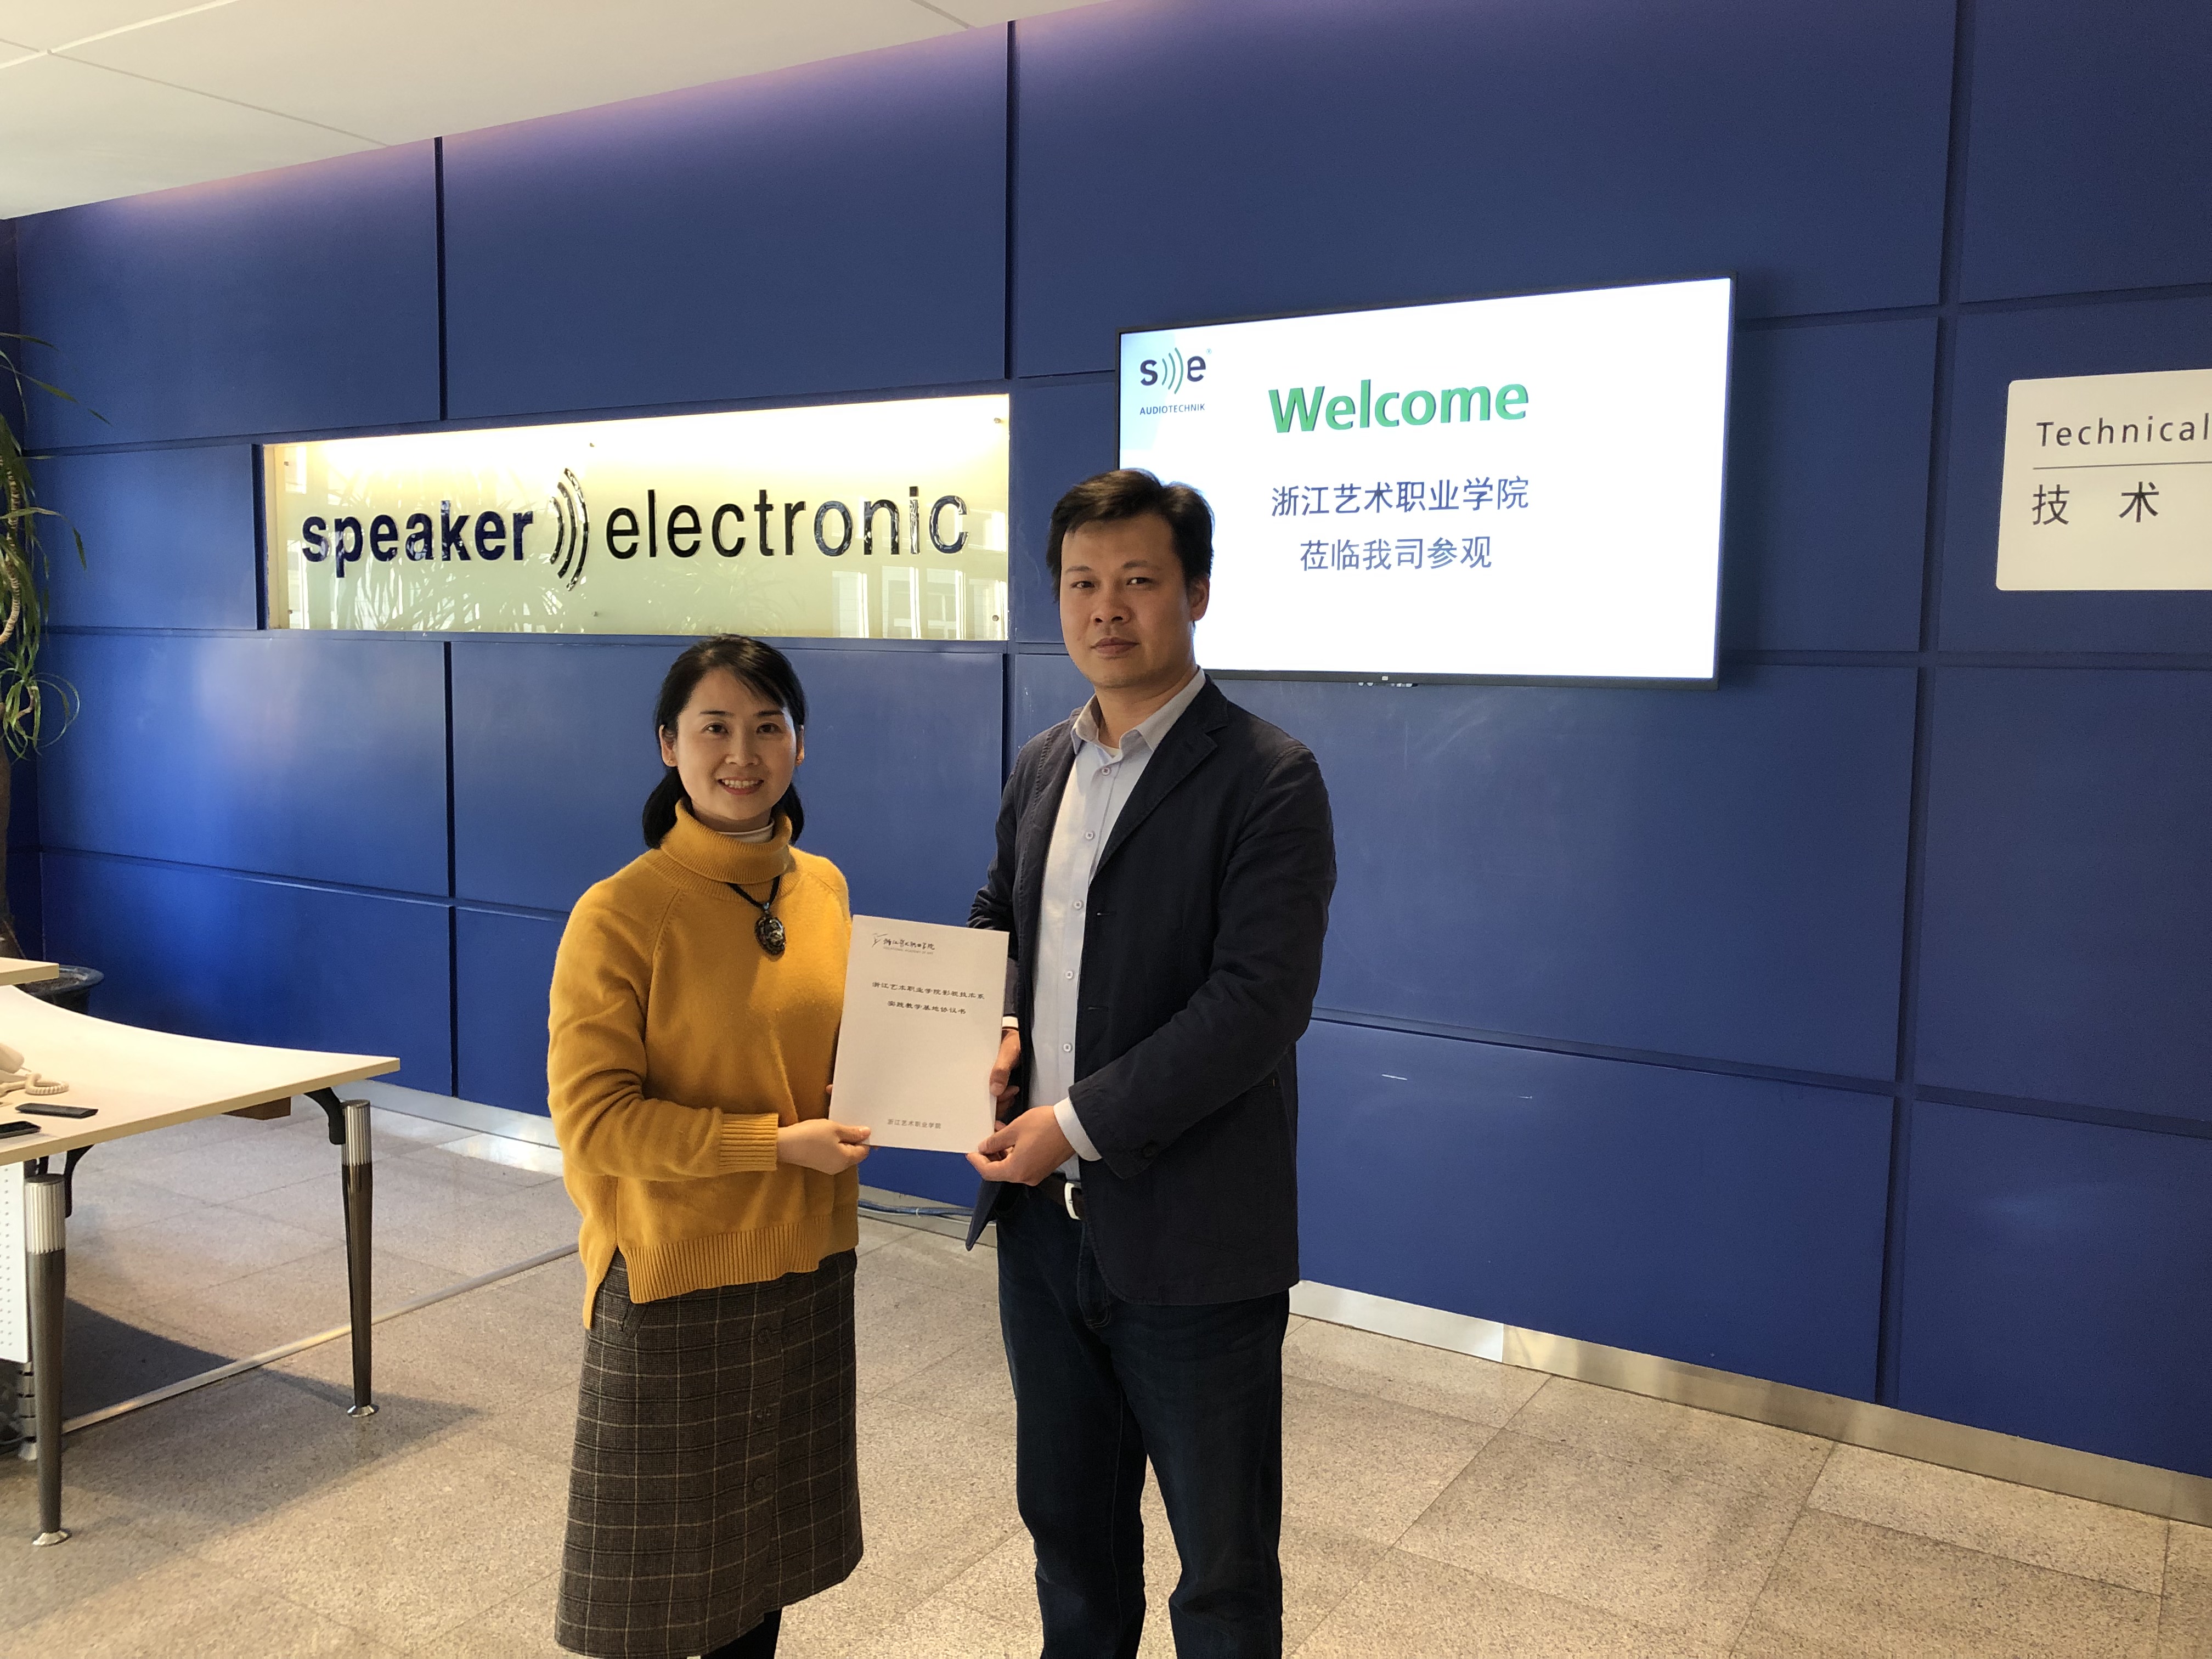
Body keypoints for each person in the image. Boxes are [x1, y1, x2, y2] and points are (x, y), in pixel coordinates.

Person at [966, 470, 1337, 1658]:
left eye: (1138, 580)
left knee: (1221, 1576)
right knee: (1070, 1543)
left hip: (1195, 1240)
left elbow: (1257, 1005)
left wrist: (1071, 1122)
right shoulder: (1044, 764)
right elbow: (997, 917)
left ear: (1198, 593)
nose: (1106, 608)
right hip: (1043, 1239)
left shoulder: (1269, 776)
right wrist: (995, 1025)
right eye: (1082, 583)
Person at [548, 635, 873, 1659]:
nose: (743, 754)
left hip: (805, 1271)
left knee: (758, 1582)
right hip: (672, 1287)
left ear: (800, 745)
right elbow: (595, 1122)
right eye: (715, 728)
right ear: (668, 744)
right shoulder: (621, 914)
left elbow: (833, 1060)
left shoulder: (824, 889)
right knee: (648, 1609)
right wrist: (773, 1147)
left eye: (768, 727)